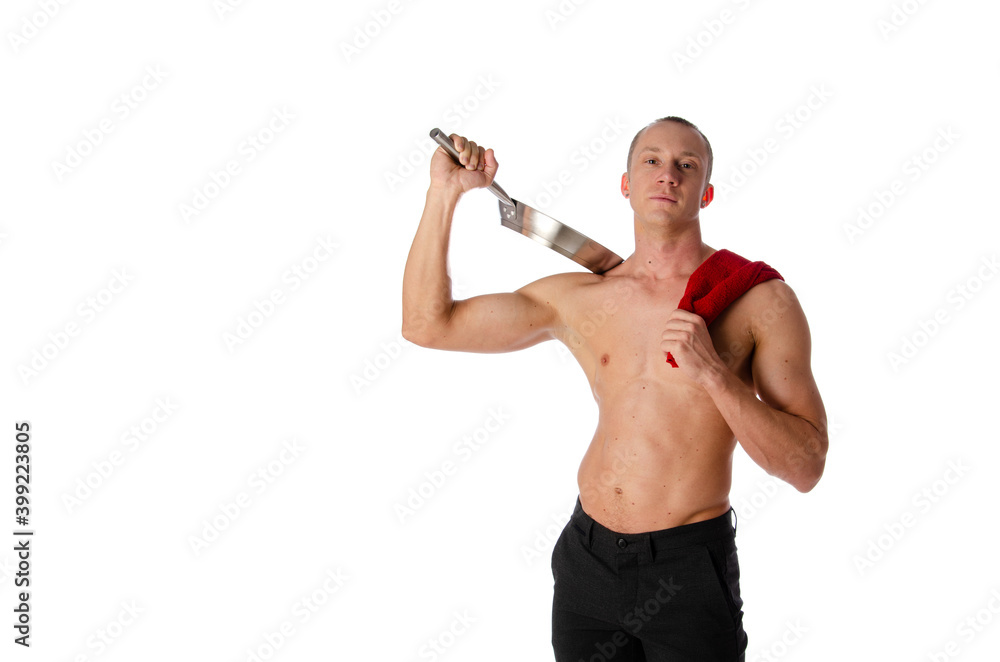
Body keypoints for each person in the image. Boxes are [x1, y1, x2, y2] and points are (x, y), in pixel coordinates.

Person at [401, 117, 828, 661]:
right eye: (651, 160)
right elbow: (425, 324)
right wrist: (444, 195)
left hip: (687, 572)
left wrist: (716, 376)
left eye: (686, 165)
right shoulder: (579, 298)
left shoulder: (759, 302)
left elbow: (806, 467)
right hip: (587, 561)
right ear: (625, 183)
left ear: (707, 191)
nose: (667, 174)